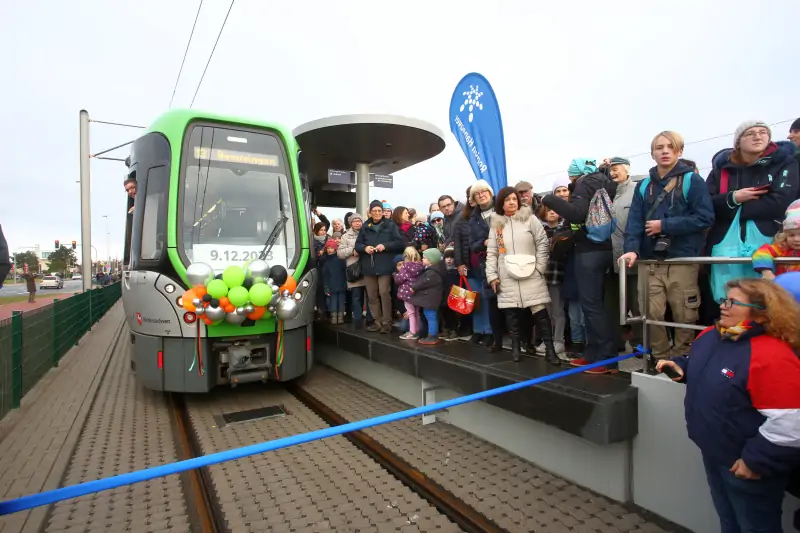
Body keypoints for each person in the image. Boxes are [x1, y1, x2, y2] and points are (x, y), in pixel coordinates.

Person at [657, 279, 800, 533]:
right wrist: (682, 367)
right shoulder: (710, 336)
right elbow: (702, 364)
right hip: (715, 454)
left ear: (759, 312)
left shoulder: (772, 355)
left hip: (748, 466)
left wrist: (755, 461)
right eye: (725, 300)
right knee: (729, 522)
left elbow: (791, 422)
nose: (723, 306)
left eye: (733, 302)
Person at [619, 131, 714, 359]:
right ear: (652, 153)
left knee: (685, 314)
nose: (665, 151)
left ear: (679, 151)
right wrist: (631, 248)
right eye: (659, 147)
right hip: (650, 260)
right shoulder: (643, 186)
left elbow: (705, 217)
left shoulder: (692, 180)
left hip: (682, 258)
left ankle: (683, 358)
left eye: (670, 147)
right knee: (650, 314)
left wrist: (666, 225)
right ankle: (660, 358)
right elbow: (634, 221)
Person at [704, 120, 799, 312]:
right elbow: (706, 205)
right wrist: (734, 197)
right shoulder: (721, 170)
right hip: (725, 246)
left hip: (770, 242)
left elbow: (781, 202)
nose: (758, 136)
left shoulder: (786, 163)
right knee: (726, 299)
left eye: (763, 132)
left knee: (767, 302)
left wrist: (734, 209)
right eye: (751, 133)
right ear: (738, 141)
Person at [542, 158, 618, 373]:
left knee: (591, 306)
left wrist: (550, 200)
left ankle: (605, 359)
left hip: (589, 250)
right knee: (596, 305)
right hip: (605, 247)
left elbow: (577, 213)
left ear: (574, 175)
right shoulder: (604, 180)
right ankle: (593, 354)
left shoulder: (584, 184)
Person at [486, 187, 558, 364]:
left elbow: (542, 243)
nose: (511, 202)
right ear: (501, 203)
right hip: (507, 274)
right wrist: (492, 276)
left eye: (514, 199)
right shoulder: (496, 225)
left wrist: (540, 267)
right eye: (507, 199)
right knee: (511, 314)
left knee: (540, 312)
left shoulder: (530, 219)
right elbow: (492, 252)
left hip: (531, 272)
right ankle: (516, 348)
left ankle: (550, 350)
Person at [355, 200, 405, 334]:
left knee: (384, 293)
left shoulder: (391, 225)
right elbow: (358, 245)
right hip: (369, 266)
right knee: (372, 296)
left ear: (382, 212)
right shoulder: (365, 226)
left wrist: (386, 246)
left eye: (379, 211)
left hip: (385, 265)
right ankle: (377, 321)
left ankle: (387, 322)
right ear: (370, 212)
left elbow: (400, 243)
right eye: (374, 211)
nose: (377, 213)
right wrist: (365, 248)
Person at [467, 180, 504, 352]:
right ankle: (496, 341)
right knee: (492, 302)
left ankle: (521, 342)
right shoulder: (473, 218)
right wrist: (484, 242)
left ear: (490, 192)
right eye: (477, 193)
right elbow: (472, 245)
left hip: (508, 261)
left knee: (513, 304)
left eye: (484, 192)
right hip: (487, 264)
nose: (481, 195)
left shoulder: (502, 208)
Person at [752, 199, 800, 280]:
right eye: (791, 235)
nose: (796, 239)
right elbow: (762, 253)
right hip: (783, 289)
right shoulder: (783, 247)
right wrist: (767, 272)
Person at [409, 248, 446, 345]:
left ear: (431, 260)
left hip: (431, 300)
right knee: (429, 315)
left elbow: (424, 281)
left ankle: (432, 335)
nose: (422, 260)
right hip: (429, 299)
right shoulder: (431, 270)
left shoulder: (433, 272)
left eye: (424, 258)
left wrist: (414, 287)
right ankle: (430, 334)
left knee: (431, 316)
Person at [338, 212, 367, 329]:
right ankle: (358, 322)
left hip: (367, 268)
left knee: (370, 297)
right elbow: (340, 253)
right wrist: (352, 250)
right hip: (354, 271)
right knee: (356, 297)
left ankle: (370, 321)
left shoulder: (367, 233)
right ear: (351, 223)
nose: (357, 223)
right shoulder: (345, 236)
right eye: (355, 221)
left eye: (359, 221)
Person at [394, 247, 424, 340]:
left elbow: (399, 279)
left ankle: (412, 332)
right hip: (417, 293)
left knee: (411, 313)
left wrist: (396, 276)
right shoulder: (421, 266)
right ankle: (417, 331)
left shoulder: (406, 267)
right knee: (417, 313)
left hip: (407, 294)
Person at [321, 239, 347, 324]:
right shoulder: (326, 260)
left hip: (339, 283)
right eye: (328, 248)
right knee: (335, 300)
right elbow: (325, 275)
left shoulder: (339, 260)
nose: (330, 250)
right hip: (333, 284)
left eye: (331, 248)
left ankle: (339, 317)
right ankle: (335, 317)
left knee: (339, 300)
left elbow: (344, 272)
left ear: (335, 249)